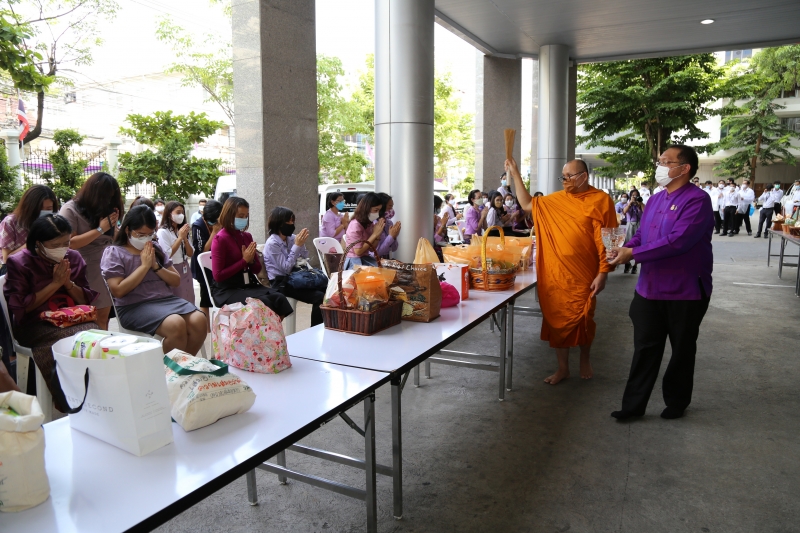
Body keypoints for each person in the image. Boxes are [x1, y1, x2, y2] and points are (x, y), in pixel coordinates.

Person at [608, 145, 713, 420]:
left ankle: (676, 402)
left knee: (682, 349)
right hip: (649, 289)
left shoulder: (697, 200)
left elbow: (678, 241)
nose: (660, 166)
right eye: (659, 161)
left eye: (666, 161)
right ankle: (632, 407)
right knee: (645, 348)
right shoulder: (654, 199)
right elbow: (642, 235)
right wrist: (623, 249)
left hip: (685, 290)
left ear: (684, 168)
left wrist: (633, 254)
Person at [506, 157, 617, 385]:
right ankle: (563, 368)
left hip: (584, 273)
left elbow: (609, 239)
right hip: (555, 274)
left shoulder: (601, 201)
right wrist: (516, 173)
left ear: (584, 176)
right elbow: (527, 204)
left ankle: (584, 359)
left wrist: (604, 271)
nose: (565, 181)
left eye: (570, 176)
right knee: (555, 319)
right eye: (563, 177)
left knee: (585, 317)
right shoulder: (556, 200)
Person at [4, 215, 99, 397]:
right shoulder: (19, 262)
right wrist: (55, 284)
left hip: (73, 318)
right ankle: (71, 396)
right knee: (72, 340)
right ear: (38, 243)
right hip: (34, 324)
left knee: (95, 337)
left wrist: (68, 284)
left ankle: (95, 389)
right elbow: (21, 308)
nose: (62, 249)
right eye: (55, 246)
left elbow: (85, 301)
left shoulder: (73, 257)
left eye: (66, 243)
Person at [102, 206, 207, 355]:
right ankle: (163, 372)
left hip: (165, 300)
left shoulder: (155, 248)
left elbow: (175, 280)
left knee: (199, 320)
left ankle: (182, 368)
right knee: (176, 324)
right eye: (140, 234)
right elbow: (118, 290)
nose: (145, 238)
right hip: (133, 305)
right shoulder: (114, 253)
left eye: (150, 234)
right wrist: (144, 267)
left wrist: (156, 266)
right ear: (127, 230)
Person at [60, 172, 124, 330]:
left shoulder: (103, 211)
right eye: (105, 197)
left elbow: (112, 237)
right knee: (96, 317)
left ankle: (100, 349)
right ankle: (95, 351)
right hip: (86, 267)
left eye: (111, 197)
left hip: (108, 264)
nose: (108, 201)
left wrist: (116, 231)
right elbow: (69, 244)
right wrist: (101, 229)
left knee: (104, 317)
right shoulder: (70, 209)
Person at [210, 197, 293, 318]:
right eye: (240, 216)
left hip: (247, 284)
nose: (244, 219)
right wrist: (244, 261)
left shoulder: (246, 236)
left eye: (246, 216)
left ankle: (269, 334)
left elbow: (256, 269)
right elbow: (218, 276)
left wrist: (252, 260)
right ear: (229, 214)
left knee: (279, 298)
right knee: (264, 303)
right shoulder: (220, 239)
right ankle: (264, 334)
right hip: (227, 289)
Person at [263, 207, 324, 327]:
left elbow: (304, 257)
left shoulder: (291, 238)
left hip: (296, 276)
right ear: (279, 223)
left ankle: (324, 327)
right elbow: (286, 268)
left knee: (326, 291)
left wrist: (300, 245)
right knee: (319, 297)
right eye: (289, 222)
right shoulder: (272, 244)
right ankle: (315, 330)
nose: (292, 225)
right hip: (281, 282)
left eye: (293, 222)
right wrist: (296, 246)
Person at [0, 184, 59, 264]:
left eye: (49, 209)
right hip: (18, 269)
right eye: (39, 209)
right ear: (29, 207)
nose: (44, 212)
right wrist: (33, 242)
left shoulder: (53, 221)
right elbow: (7, 259)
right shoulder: (11, 222)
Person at [343, 192, 401, 268]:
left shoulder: (369, 224)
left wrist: (378, 235)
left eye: (379, 210)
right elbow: (358, 252)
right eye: (375, 210)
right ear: (366, 208)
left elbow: (371, 249)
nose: (377, 214)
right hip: (354, 261)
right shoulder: (355, 225)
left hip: (365, 259)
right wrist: (375, 234)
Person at [191, 199, 222, 326]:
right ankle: (206, 328)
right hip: (202, 267)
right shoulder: (197, 226)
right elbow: (202, 249)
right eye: (212, 220)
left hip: (217, 264)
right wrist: (214, 232)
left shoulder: (222, 223)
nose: (215, 223)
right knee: (205, 298)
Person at [156, 201, 195, 303]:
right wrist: (180, 238)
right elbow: (167, 254)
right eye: (178, 212)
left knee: (189, 297)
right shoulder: (163, 232)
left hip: (185, 267)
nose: (181, 215)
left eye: (182, 212)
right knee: (178, 297)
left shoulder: (182, 230)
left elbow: (190, 253)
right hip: (173, 268)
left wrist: (185, 239)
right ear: (169, 214)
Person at [621, 190, 644, 274]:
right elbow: (624, 212)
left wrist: (640, 204)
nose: (635, 197)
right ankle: (627, 263)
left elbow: (646, 212)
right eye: (633, 195)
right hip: (629, 225)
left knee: (638, 246)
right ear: (630, 196)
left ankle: (635, 266)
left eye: (636, 195)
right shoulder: (627, 204)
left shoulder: (641, 205)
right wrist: (630, 203)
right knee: (626, 244)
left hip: (639, 225)